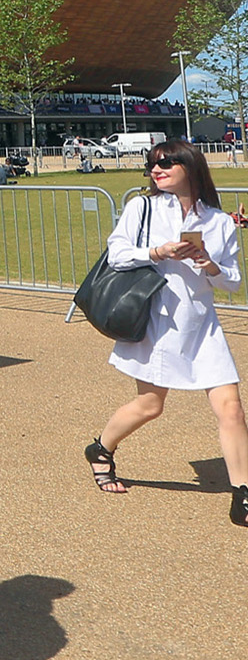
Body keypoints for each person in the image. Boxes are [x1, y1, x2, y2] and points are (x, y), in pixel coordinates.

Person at [86, 140, 248, 527]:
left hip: (202, 325)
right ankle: (100, 449)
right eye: (153, 165)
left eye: (167, 163)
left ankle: (242, 493)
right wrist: (157, 252)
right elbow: (117, 253)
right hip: (156, 323)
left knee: (231, 408)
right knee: (150, 406)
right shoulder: (141, 207)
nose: (157, 170)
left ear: (190, 167)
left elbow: (233, 282)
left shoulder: (219, 221)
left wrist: (209, 264)